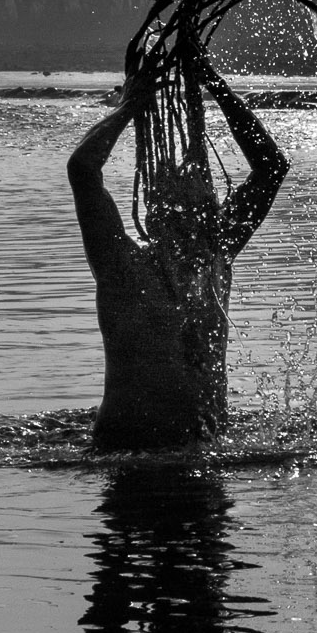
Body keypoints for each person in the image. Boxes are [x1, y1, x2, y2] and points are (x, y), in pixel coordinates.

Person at [68, 46, 289, 450]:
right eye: (179, 205)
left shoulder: (216, 252)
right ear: (155, 217)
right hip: (126, 446)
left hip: (204, 443)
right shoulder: (121, 265)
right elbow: (83, 170)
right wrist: (129, 105)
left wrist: (214, 83)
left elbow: (271, 167)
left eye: (204, 202)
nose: (196, 213)